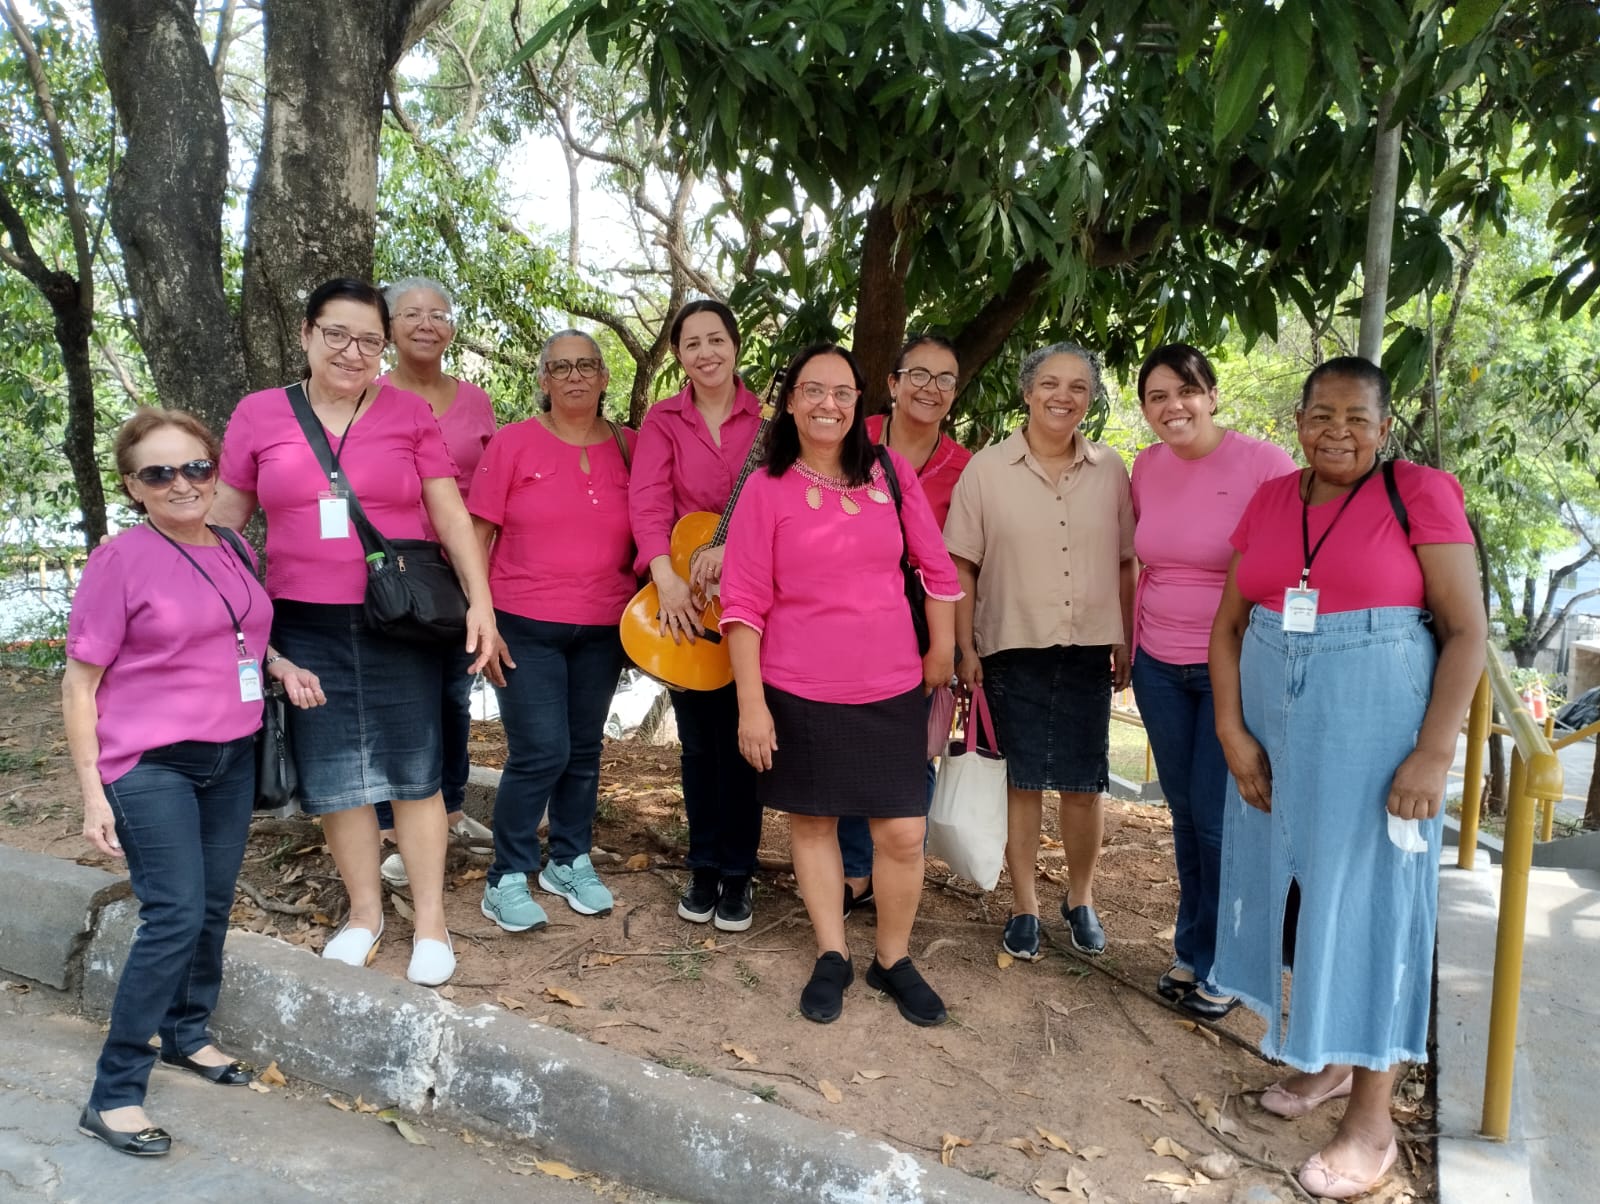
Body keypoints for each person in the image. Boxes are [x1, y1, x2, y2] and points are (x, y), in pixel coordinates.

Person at [1208, 357, 1485, 1199]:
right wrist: (1231, 730)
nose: (1338, 431)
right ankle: (1327, 1059)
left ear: (1384, 425)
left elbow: (1467, 632)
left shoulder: (1422, 492)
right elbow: (1228, 623)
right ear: (1298, 421)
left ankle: (1371, 1121)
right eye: (1321, 414)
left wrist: (1434, 753)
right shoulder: (1270, 499)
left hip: (1376, 727)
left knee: (1369, 905)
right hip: (1270, 724)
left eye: (1357, 417)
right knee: (1300, 896)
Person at [212, 277, 500, 989]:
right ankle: (364, 913)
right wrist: (212, 604)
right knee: (337, 777)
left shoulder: (407, 414)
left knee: (415, 769)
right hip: (302, 619)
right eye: (336, 334)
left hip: (398, 615)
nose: (352, 351)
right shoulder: (260, 415)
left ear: (384, 346)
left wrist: (482, 603)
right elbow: (223, 523)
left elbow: (453, 515)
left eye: (368, 339)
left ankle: (430, 919)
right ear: (307, 334)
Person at [64, 408, 325, 1156]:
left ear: (215, 470)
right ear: (133, 486)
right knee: (174, 913)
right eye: (159, 473)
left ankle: (185, 1030)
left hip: (230, 756)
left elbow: (243, 633)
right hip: (150, 765)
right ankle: (113, 1093)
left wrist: (279, 665)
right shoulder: (120, 559)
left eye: (195, 468)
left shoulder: (233, 543)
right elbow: (81, 684)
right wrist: (92, 794)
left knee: (211, 906)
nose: (182, 484)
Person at [721, 343, 960, 1026]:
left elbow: (938, 572)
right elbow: (741, 604)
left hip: (889, 686)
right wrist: (752, 707)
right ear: (791, 401)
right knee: (815, 822)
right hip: (798, 686)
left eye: (842, 393)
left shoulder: (888, 471)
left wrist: (940, 648)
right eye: (813, 391)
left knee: (903, 833)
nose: (828, 404)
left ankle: (893, 959)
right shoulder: (767, 489)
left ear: (860, 403)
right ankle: (832, 953)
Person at [944, 341, 1135, 962]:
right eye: (1050, 384)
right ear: (1027, 392)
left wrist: (1125, 635)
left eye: (1078, 386)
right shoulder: (987, 469)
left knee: (1084, 785)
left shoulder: (1111, 470)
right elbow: (962, 566)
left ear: (1091, 398)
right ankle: (1023, 905)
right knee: (1021, 783)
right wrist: (964, 646)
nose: (1063, 396)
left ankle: (1080, 898)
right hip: (1009, 644)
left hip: (1087, 648)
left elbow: (1127, 561)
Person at [1128, 345, 1295, 1019]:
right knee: (1187, 814)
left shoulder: (1266, 465)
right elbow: (1142, 561)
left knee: (1223, 820)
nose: (1174, 407)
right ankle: (1194, 948)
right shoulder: (1145, 467)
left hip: (1237, 668)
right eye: (1157, 397)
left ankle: (1232, 960)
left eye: (1186, 391)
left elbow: (1290, 568)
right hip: (1159, 666)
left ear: (1213, 394)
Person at [471, 331, 635, 930]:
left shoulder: (630, 444)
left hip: (603, 625)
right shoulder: (513, 443)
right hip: (524, 621)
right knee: (542, 750)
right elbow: (477, 536)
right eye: (560, 367)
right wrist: (483, 619)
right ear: (542, 379)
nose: (573, 376)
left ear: (603, 376)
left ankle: (567, 859)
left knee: (585, 750)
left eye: (585, 366)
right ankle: (507, 874)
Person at [629, 299, 765, 931]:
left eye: (716, 340)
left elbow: (780, 503)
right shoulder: (663, 419)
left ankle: (739, 873)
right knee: (697, 744)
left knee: (745, 742)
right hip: (684, 601)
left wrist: (731, 549)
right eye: (692, 344)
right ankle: (703, 866)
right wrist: (668, 581)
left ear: (735, 346)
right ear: (678, 355)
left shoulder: (768, 419)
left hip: (757, 600)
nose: (705, 353)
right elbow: (649, 501)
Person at [838, 334, 974, 915]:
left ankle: (900, 865)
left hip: (925, 621)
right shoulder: (849, 435)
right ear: (892, 384)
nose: (931, 388)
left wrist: (958, 647)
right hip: (844, 612)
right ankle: (852, 870)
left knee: (910, 747)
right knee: (845, 741)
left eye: (945, 379)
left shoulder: (966, 466)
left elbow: (966, 560)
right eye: (918, 375)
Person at [374, 277, 498, 888]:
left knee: (452, 696)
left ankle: (449, 811)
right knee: (395, 701)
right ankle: (389, 827)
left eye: (438, 313)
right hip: (387, 574)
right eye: (410, 313)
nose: (426, 324)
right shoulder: (367, 396)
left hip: (456, 575)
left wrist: (484, 580)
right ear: (389, 325)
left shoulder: (476, 401)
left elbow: (491, 493)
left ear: (452, 327)